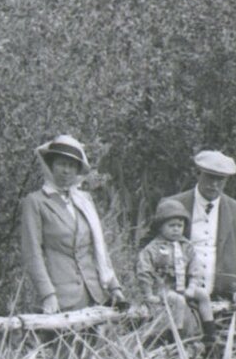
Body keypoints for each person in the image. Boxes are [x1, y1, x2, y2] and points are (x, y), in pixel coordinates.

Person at [19, 135, 127, 313]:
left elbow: (99, 246)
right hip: (61, 296)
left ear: (77, 170)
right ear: (50, 165)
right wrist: (47, 294)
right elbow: (32, 253)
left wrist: (114, 287)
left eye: (71, 166)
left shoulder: (83, 201)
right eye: (61, 164)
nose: (66, 170)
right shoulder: (36, 202)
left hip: (95, 294)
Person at [165, 149, 236, 306]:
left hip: (224, 299)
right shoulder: (174, 205)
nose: (214, 184)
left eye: (221, 179)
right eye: (210, 177)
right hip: (180, 298)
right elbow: (150, 248)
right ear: (198, 174)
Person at [133, 197, 214, 339]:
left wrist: (192, 287)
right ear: (160, 227)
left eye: (180, 225)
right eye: (171, 226)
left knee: (203, 294)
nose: (176, 229)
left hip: (184, 287)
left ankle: (210, 332)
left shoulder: (186, 246)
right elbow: (144, 271)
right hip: (164, 288)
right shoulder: (153, 248)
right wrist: (149, 294)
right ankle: (176, 334)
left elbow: (195, 269)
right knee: (178, 301)